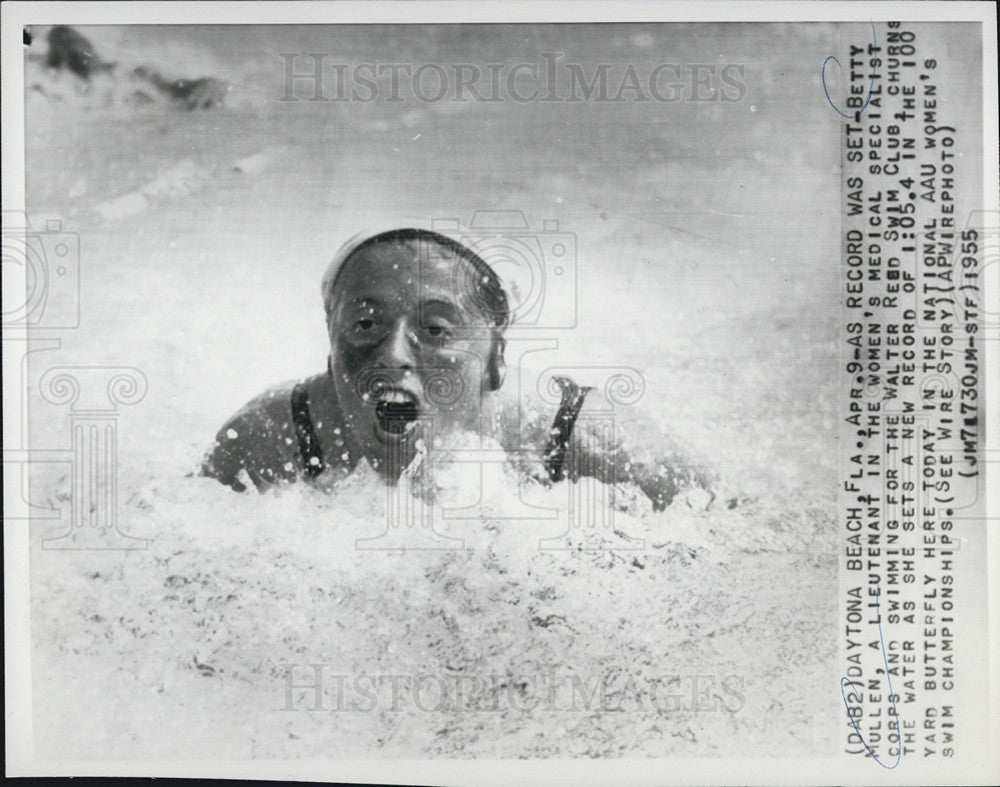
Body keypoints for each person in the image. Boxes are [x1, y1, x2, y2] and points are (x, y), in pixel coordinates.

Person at [200, 228, 713, 511]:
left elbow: (730, 529)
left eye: (437, 330)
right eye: (364, 323)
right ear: (330, 345)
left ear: (495, 360)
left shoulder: (576, 440)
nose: (394, 355)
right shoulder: (274, 438)